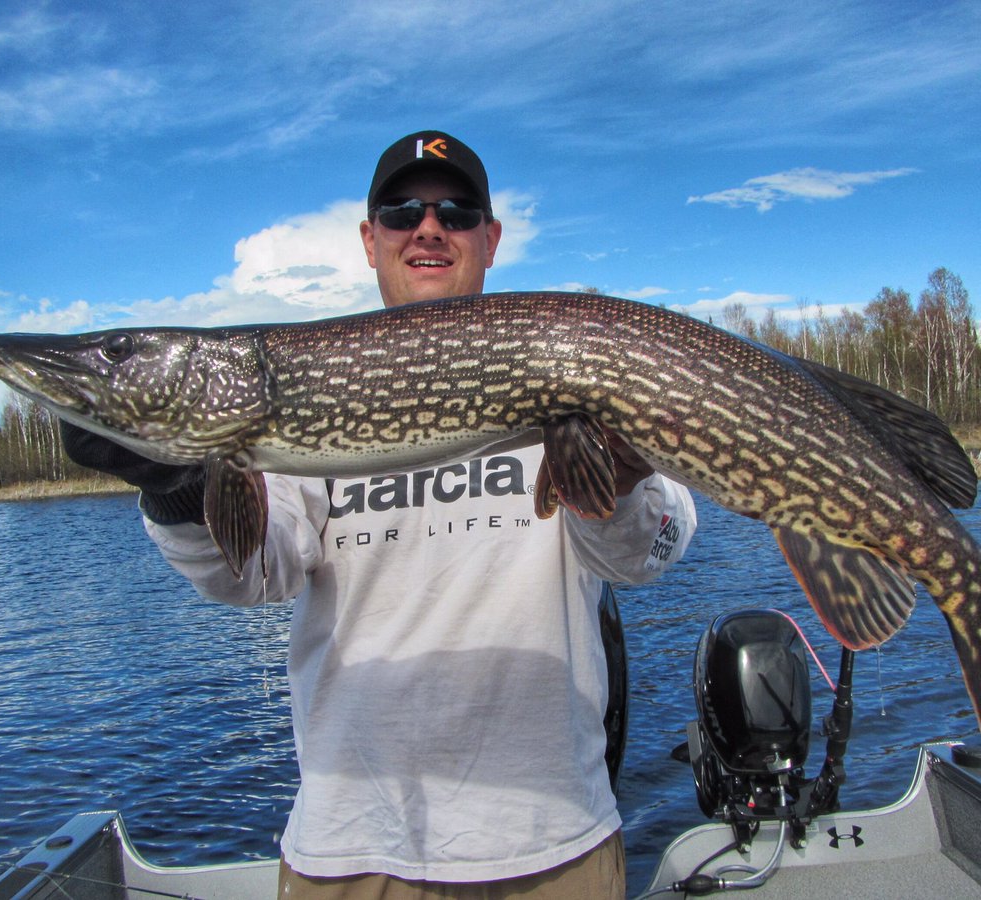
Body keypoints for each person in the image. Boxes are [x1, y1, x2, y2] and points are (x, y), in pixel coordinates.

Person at [62, 131, 696, 899]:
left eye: (457, 212)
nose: (429, 227)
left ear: (490, 239)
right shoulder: (299, 393)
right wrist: (172, 486)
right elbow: (253, 571)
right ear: (371, 239)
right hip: (350, 851)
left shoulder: (564, 360)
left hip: (552, 845)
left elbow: (648, 554)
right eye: (402, 210)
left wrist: (623, 478)